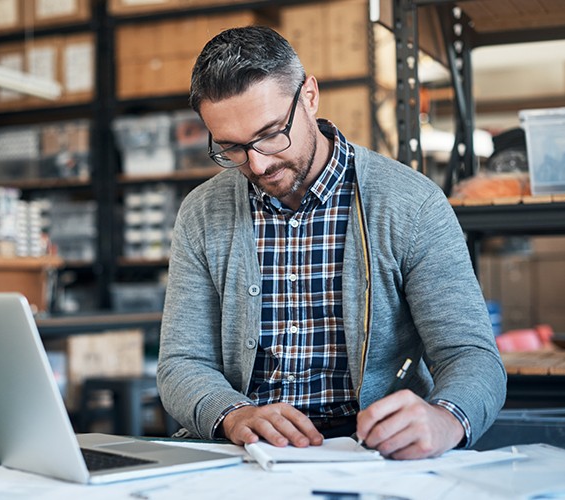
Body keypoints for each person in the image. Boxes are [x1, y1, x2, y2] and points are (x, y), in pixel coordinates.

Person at [156, 26, 506, 460]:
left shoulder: (412, 203)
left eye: (270, 134)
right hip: (245, 451)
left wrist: (446, 418)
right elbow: (181, 363)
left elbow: (469, 354)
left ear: (310, 96)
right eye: (232, 148)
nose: (259, 164)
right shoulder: (201, 212)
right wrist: (231, 413)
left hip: (372, 450)